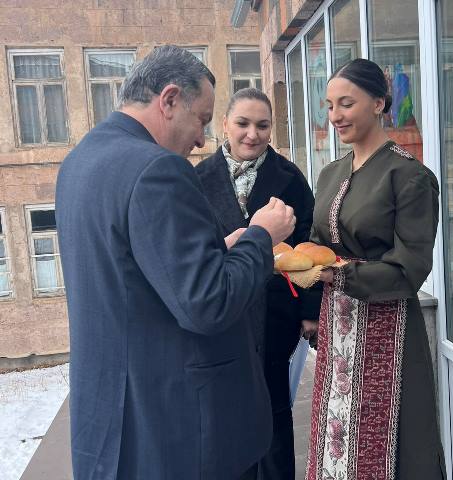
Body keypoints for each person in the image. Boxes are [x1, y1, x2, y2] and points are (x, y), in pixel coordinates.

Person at [55, 46, 297, 480]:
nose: (202, 139)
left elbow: (134, 271)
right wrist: (261, 236)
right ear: (168, 100)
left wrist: (222, 249)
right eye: (201, 119)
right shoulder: (157, 169)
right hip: (175, 426)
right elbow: (207, 304)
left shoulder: (80, 160)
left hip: (112, 416)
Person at [305, 58, 446, 480]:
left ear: (379, 103)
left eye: (346, 104)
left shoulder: (410, 176)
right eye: (329, 106)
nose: (335, 116)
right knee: (337, 441)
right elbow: (318, 242)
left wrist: (338, 274)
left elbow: (411, 267)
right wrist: (297, 259)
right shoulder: (330, 173)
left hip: (389, 326)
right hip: (338, 326)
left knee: (393, 448)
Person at [196, 87, 321, 480]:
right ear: (225, 125)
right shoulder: (196, 179)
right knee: (226, 415)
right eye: (243, 123)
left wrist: (310, 311)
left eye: (262, 125)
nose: (252, 134)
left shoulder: (289, 177)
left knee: (274, 411)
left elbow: (310, 241)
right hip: (225, 310)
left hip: (275, 313)